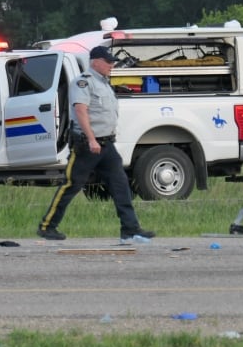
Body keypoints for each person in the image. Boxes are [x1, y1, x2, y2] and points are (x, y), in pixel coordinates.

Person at [37, 46, 155, 241]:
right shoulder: (84, 83)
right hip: (87, 145)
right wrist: (91, 139)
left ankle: (130, 228)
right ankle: (47, 226)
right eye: (108, 62)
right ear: (95, 62)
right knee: (71, 185)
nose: (112, 65)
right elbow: (81, 111)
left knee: (121, 185)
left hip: (106, 145)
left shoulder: (104, 84)